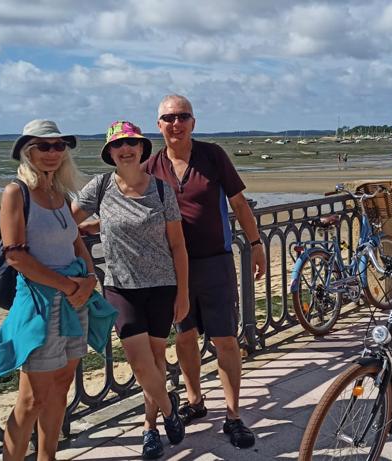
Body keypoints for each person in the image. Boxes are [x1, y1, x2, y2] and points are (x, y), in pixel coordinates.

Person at [0, 119, 117, 461]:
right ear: (28, 151)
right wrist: (70, 285)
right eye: (44, 146)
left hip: (74, 299)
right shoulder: (16, 192)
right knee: (31, 398)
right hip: (40, 302)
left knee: (61, 387)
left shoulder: (60, 193)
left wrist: (88, 278)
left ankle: (48, 456)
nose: (53, 152)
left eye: (59, 146)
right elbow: (15, 256)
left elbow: (76, 240)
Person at [144, 94, 266, 449]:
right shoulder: (151, 166)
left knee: (226, 339)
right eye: (169, 118)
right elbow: (129, 205)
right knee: (185, 337)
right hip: (173, 268)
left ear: (193, 122)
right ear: (159, 126)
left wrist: (256, 244)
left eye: (183, 116)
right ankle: (195, 402)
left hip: (215, 262)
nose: (176, 123)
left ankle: (233, 415)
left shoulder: (212, 155)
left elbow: (239, 202)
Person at [71, 121, 188, 459]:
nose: (125, 149)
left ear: (141, 149)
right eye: (118, 144)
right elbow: (66, 222)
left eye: (132, 143)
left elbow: (178, 246)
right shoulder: (101, 186)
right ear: (110, 152)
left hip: (163, 286)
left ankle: (150, 427)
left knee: (156, 360)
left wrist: (183, 293)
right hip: (122, 288)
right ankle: (169, 410)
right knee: (139, 363)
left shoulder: (163, 190)